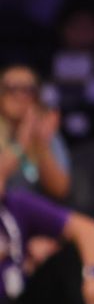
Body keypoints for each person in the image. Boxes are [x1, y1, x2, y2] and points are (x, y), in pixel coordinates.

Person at [0, 63, 71, 201]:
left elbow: (60, 190)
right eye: (11, 89)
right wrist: (21, 142)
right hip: (3, 209)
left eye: (28, 89)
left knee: (88, 224)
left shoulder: (47, 131)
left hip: (37, 210)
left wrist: (41, 144)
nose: (20, 96)